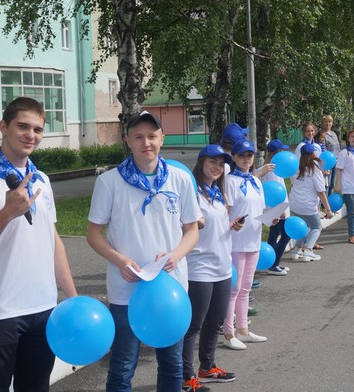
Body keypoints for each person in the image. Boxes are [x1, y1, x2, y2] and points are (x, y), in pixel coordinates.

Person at [0, 97, 78, 392]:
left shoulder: (41, 180)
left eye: (38, 129)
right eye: (23, 126)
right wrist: (7, 213)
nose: (30, 135)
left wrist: (73, 298)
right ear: (3, 127)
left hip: (43, 308)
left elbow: (53, 241)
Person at [86, 111, 201, 392]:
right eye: (138, 137)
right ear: (127, 140)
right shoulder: (109, 182)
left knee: (172, 364)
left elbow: (192, 230)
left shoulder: (179, 179)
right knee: (123, 365)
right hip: (127, 290)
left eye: (152, 136)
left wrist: (175, 255)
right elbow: (93, 234)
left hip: (171, 289)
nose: (146, 143)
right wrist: (120, 260)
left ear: (162, 138)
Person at [182, 145, 243, 392]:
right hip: (199, 267)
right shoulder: (192, 192)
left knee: (216, 320)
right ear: (201, 163)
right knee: (194, 325)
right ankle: (185, 376)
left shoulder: (218, 193)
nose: (217, 167)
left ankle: (207, 368)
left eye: (221, 164)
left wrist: (231, 225)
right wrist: (194, 221)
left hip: (222, 266)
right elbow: (186, 223)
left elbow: (214, 226)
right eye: (212, 162)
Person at [222, 139, 270, 351]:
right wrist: (230, 225)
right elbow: (225, 212)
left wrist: (271, 218)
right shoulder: (230, 181)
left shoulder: (256, 181)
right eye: (241, 155)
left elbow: (259, 210)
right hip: (235, 243)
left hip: (253, 241)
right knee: (234, 289)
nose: (246, 159)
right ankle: (228, 332)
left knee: (246, 288)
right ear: (233, 157)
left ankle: (243, 329)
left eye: (249, 155)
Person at [288, 144, 334, 261]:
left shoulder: (296, 168)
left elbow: (293, 184)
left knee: (304, 226)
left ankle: (296, 249)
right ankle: (308, 251)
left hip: (295, 204)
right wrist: (328, 210)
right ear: (313, 154)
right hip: (308, 206)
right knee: (316, 227)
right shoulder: (315, 170)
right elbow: (321, 192)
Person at [261, 139, 291, 275]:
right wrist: (282, 211)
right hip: (278, 209)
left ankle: (271, 263)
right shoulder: (273, 170)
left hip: (276, 209)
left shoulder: (272, 168)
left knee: (274, 235)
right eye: (282, 150)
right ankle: (274, 264)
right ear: (278, 152)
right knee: (285, 236)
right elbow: (275, 192)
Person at [320, 115, 342, 197]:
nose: (328, 123)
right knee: (327, 184)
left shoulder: (333, 134)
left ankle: (329, 201)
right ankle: (324, 203)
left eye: (330, 122)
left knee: (332, 183)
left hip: (336, 161)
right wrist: (325, 166)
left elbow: (338, 147)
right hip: (327, 163)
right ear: (323, 123)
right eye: (326, 121)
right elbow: (322, 149)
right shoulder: (322, 134)